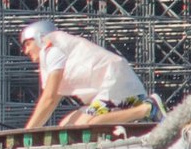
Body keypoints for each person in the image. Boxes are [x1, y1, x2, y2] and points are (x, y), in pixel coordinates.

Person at [18, 18, 154, 129]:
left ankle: (147, 109)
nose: (25, 50)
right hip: (112, 87)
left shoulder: (52, 50)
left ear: (39, 37)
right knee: (67, 128)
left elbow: (49, 99)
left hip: (114, 85)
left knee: (85, 127)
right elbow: (52, 99)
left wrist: (27, 132)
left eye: (27, 44)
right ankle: (138, 108)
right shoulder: (58, 49)